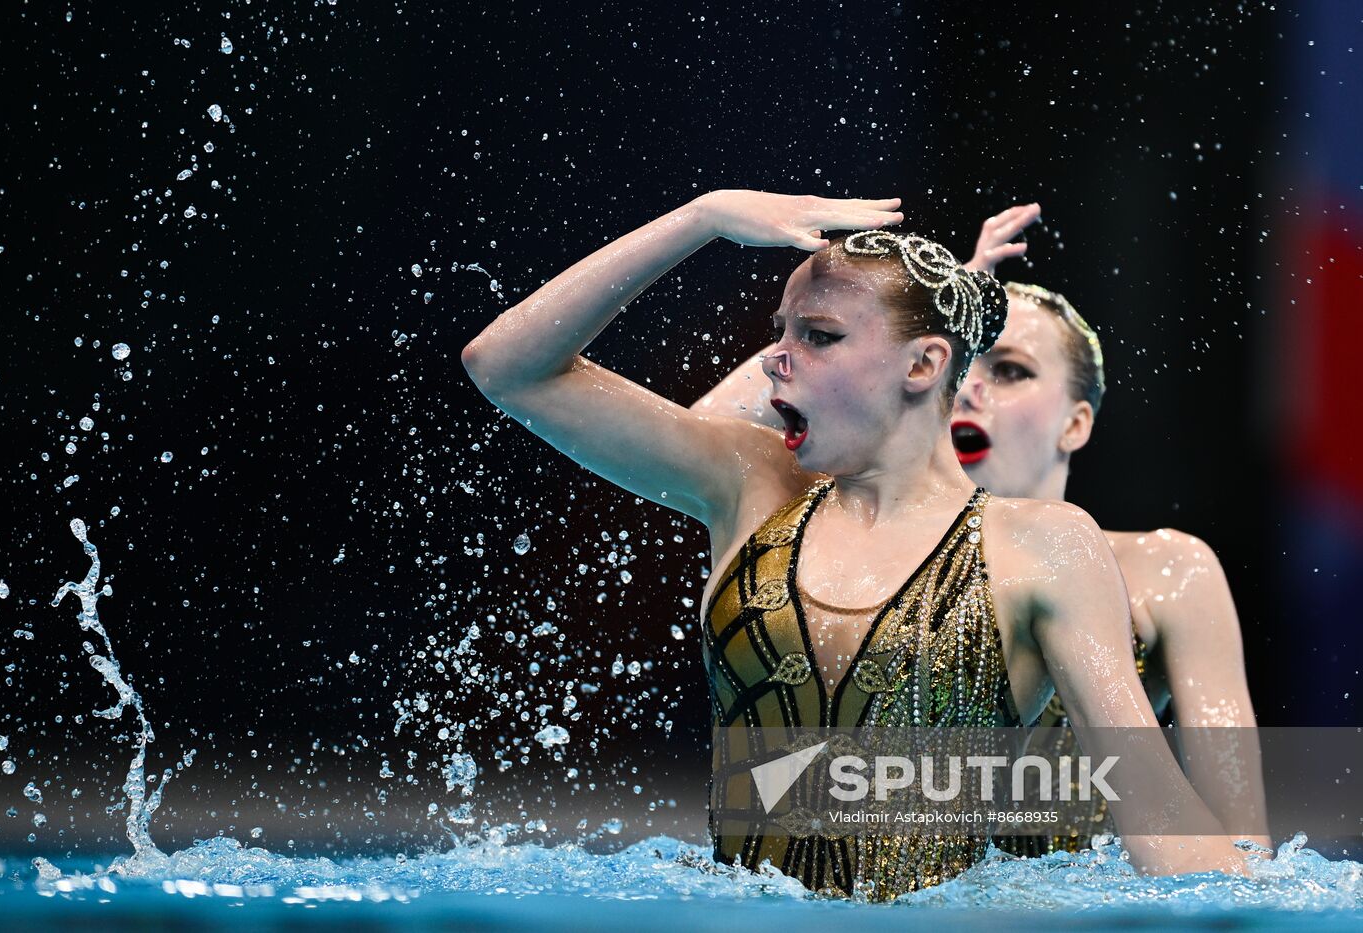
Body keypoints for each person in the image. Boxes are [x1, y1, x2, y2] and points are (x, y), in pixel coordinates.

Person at [461, 190, 1247, 899]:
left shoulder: (1041, 546)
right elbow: (508, 368)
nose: (776, 354)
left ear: (925, 364)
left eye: (820, 335)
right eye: (780, 332)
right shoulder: (750, 482)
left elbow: (1163, 820)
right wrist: (700, 219)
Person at [691, 204, 1270, 854]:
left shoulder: (1165, 571)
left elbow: (1239, 840)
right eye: (964, 365)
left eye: (1011, 371)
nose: (969, 389)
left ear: (1076, 423)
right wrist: (925, 301)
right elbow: (715, 435)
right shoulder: (839, 536)